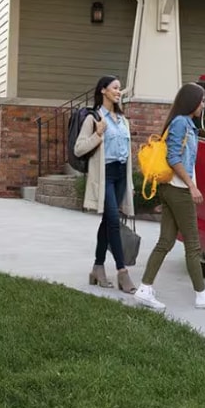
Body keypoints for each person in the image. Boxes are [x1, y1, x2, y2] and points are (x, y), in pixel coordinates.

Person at [133, 83, 205, 311]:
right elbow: (174, 158)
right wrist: (191, 186)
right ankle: (201, 295)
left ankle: (144, 289)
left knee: (166, 241)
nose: (203, 105)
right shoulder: (181, 123)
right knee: (193, 245)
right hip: (178, 190)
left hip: (172, 189)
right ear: (191, 101)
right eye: (202, 101)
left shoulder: (185, 123)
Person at [74, 75, 137, 294]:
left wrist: (130, 184)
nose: (119, 92)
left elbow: (127, 155)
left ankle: (97, 267)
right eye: (115, 88)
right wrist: (98, 134)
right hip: (105, 176)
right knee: (113, 222)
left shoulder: (123, 120)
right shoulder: (94, 118)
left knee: (108, 221)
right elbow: (79, 149)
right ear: (103, 90)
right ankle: (122, 271)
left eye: (120, 88)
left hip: (121, 175)